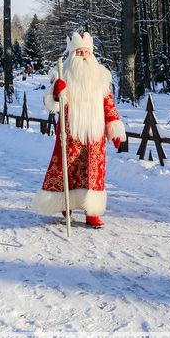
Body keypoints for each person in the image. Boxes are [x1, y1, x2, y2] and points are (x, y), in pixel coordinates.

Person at [32, 32, 126, 228]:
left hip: (94, 134)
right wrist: (57, 93)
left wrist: (114, 126)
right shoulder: (62, 73)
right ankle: (65, 203)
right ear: (72, 54)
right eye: (79, 52)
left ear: (91, 54)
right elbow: (50, 104)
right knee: (66, 169)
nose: (83, 56)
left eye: (86, 52)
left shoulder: (101, 76)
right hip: (69, 132)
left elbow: (108, 103)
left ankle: (92, 212)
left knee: (93, 173)